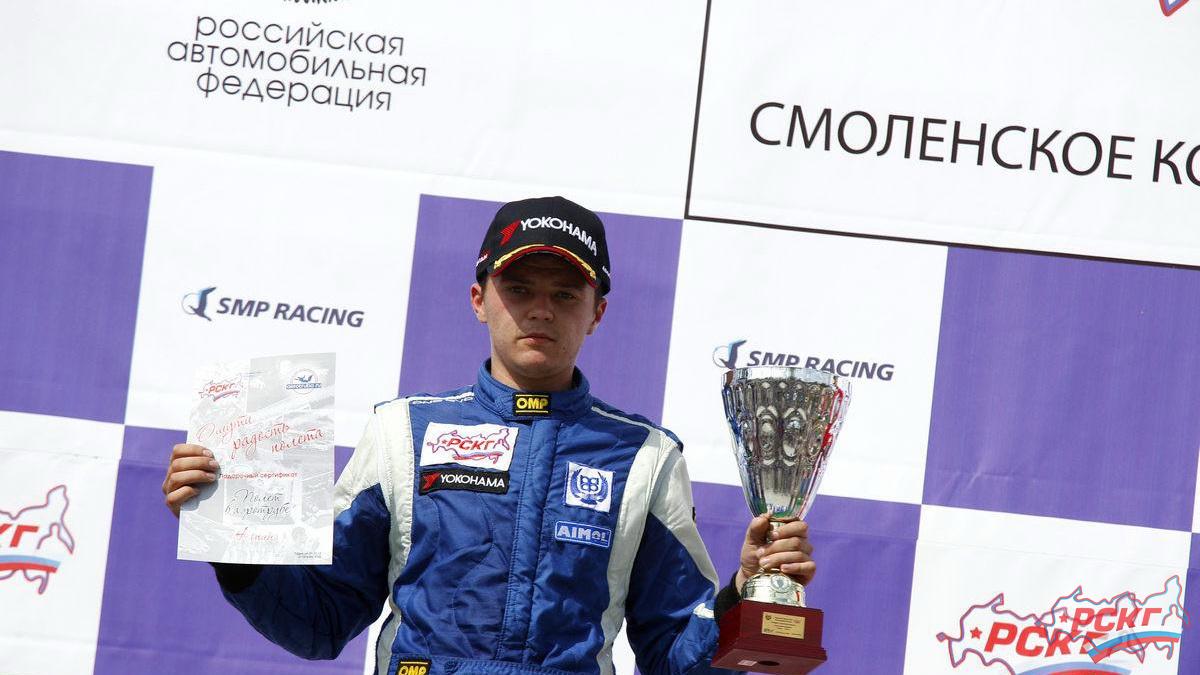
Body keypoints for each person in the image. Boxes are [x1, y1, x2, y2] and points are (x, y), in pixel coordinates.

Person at [162, 197, 816, 675]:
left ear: (598, 312)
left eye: (566, 294)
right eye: (518, 288)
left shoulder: (645, 455)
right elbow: (319, 621)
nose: (540, 309)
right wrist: (236, 544)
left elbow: (675, 655)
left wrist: (745, 591)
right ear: (479, 299)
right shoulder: (402, 431)